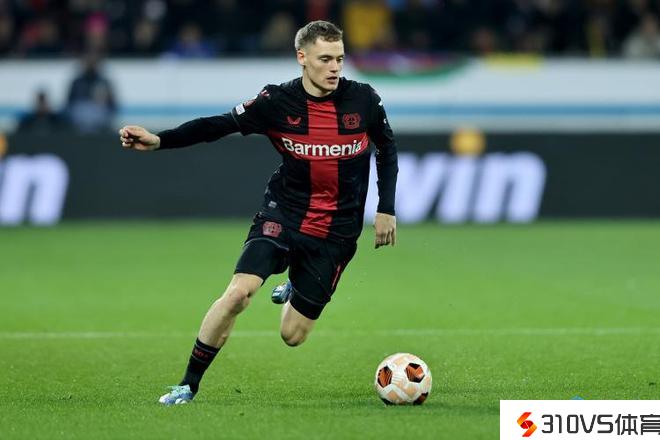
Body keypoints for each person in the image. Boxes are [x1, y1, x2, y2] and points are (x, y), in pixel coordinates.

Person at [118, 20, 398, 405]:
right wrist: (159, 140)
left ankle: (295, 282)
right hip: (283, 215)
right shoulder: (276, 101)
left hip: (337, 231)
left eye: (339, 58)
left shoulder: (363, 100)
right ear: (302, 57)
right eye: (325, 59)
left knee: (292, 336)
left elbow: (386, 148)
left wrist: (386, 208)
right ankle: (187, 384)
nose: (335, 67)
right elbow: (218, 125)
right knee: (238, 294)